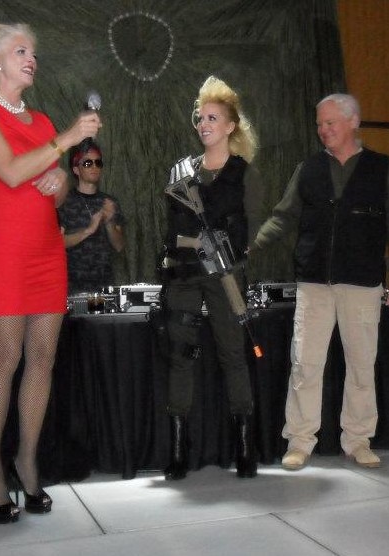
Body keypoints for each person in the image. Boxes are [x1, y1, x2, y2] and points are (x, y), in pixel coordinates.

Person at [0, 23, 101, 523]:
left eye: (34, 53)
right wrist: (66, 141)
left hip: (46, 251)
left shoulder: (40, 121)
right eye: (21, 50)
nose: (31, 59)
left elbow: (53, 191)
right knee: (5, 358)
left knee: (42, 359)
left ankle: (27, 460)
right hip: (3, 251)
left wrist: (60, 180)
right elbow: (10, 173)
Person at [250, 93, 389, 471]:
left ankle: (358, 440)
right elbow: (283, 217)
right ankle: (299, 441)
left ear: (353, 121)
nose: (323, 130)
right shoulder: (307, 169)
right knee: (304, 364)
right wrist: (250, 245)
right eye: (319, 124)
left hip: (363, 283)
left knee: (361, 366)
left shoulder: (383, 167)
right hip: (314, 284)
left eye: (330, 123)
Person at [160, 76, 263, 480]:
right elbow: (173, 231)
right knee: (181, 356)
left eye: (212, 118)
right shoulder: (182, 172)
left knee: (233, 355)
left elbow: (250, 231)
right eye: (200, 118)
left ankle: (244, 448)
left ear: (230, 126)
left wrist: (227, 252)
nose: (203, 125)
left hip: (225, 274)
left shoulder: (243, 174)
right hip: (186, 274)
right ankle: (178, 451)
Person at [58, 138, 125, 293]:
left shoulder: (109, 202)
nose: (94, 167)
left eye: (98, 162)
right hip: (71, 287)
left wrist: (109, 223)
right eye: (88, 163)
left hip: (103, 287)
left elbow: (119, 246)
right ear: (76, 169)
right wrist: (88, 230)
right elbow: (57, 244)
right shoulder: (64, 202)